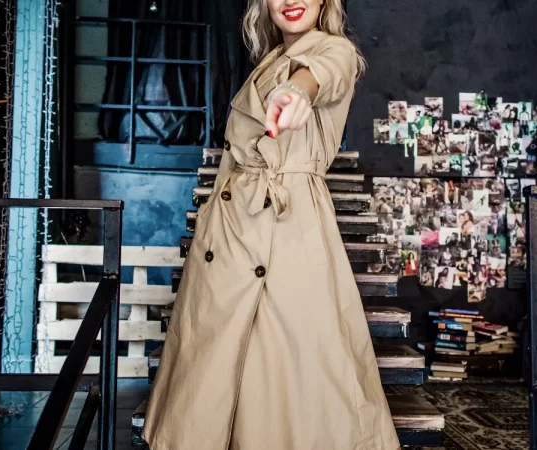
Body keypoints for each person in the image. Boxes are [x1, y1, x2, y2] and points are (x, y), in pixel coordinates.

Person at [141, 1, 401, 449]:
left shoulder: (334, 49)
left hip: (286, 228)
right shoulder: (270, 60)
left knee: (286, 369)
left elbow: (322, 74)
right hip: (231, 230)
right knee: (216, 365)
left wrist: (299, 91)